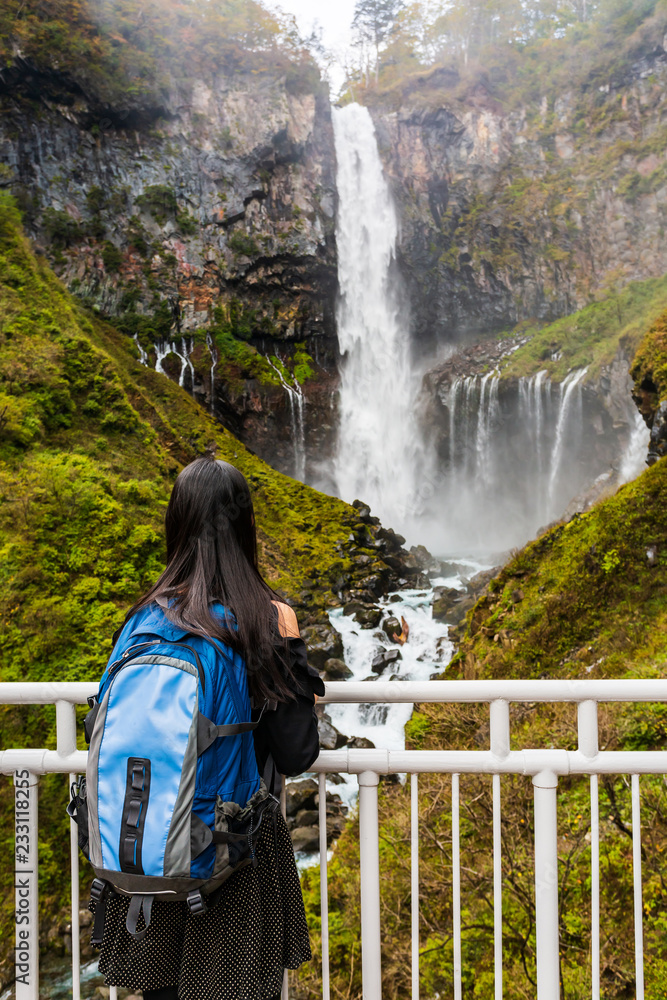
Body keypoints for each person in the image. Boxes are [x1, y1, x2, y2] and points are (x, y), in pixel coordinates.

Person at [91, 456, 324, 1000]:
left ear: (176, 525)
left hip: (149, 859)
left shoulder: (143, 620)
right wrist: (288, 641)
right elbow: (295, 752)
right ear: (244, 529)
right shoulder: (260, 619)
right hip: (232, 862)